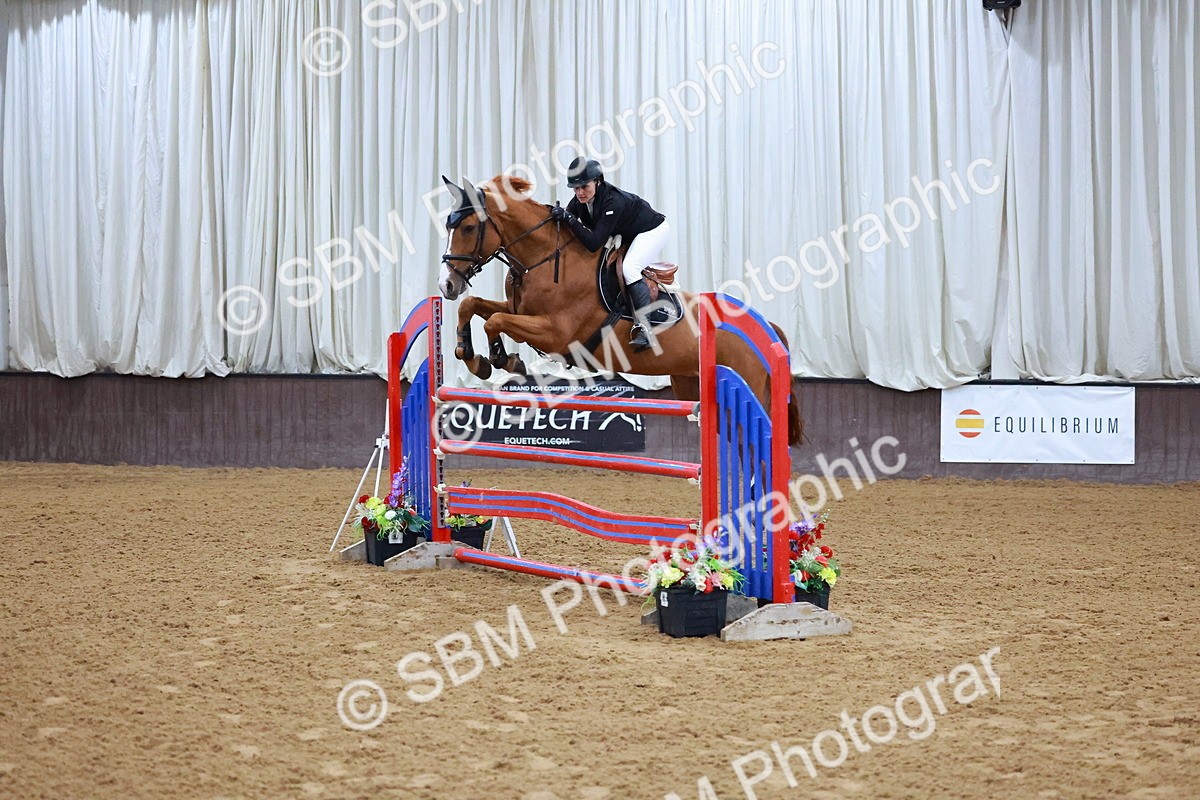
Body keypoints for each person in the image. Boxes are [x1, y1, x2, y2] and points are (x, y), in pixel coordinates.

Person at [550, 157, 670, 351]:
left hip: (652, 230)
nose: (579, 193)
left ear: (598, 181)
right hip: (628, 231)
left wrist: (570, 219)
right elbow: (568, 217)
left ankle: (646, 329)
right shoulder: (582, 198)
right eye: (575, 188)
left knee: (630, 269)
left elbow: (593, 242)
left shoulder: (612, 202)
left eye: (584, 187)